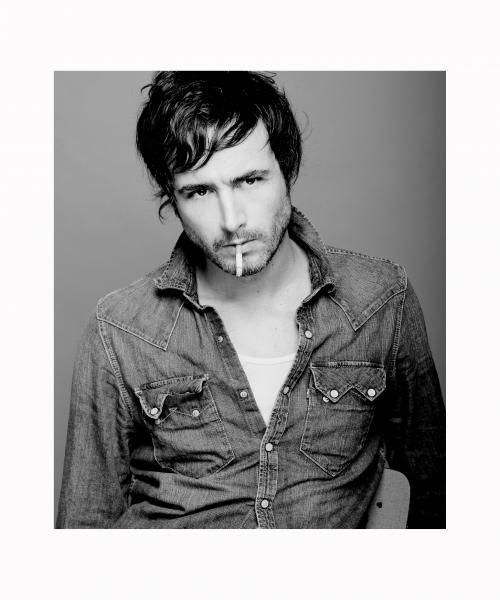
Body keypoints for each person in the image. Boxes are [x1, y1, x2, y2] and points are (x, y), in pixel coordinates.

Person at [57, 71, 445, 528]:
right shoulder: (120, 329)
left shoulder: (381, 300)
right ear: (173, 199)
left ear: (286, 170)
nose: (231, 220)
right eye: (200, 191)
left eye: (250, 180)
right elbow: (85, 524)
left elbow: (435, 493)